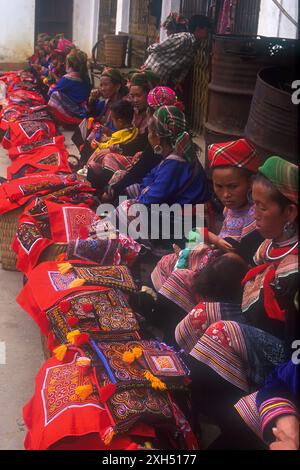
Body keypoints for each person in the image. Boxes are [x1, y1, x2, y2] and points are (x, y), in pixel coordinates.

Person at [175, 157, 298, 436]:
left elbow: (290, 338)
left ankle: (221, 408)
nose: (254, 213)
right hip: (255, 320)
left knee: (221, 331)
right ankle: (186, 396)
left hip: (283, 349)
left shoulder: (294, 268)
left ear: (289, 212)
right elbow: (239, 265)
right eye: (254, 204)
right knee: (201, 315)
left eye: (262, 207)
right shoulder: (266, 241)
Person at [151, 138, 263, 315]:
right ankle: (161, 305)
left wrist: (210, 238)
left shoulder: (253, 215)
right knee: (167, 261)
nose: (226, 194)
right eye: (219, 186)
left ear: (250, 183)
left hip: (226, 274)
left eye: (233, 187)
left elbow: (236, 253)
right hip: (216, 257)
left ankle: (169, 314)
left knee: (182, 277)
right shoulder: (228, 209)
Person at [144, 13, 212, 89]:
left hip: (162, 76)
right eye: (207, 30)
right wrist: (149, 52)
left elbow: (186, 65)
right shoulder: (183, 39)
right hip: (152, 71)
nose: (208, 33)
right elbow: (158, 47)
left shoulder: (195, 45)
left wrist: (178, 81)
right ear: (198, 29)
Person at [87, 100, 139, 190]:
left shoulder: (117, 135)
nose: (112, 122)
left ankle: (96, 190)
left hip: (119, 161)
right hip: (126, 157)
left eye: (113, 120)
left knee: (93, 162)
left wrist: (99, 144)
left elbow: (108, 146)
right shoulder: (134, 130)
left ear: (120, 121)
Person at [48, 48, 91, 125]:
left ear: (70, 65)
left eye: (66, 62)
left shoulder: (68, 78)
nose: (64, 64)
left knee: (54, 93)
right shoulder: (86, 77)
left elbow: (51, 93)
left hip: (75, 112)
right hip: (84, 108)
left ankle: (68, 120)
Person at [128, 70, 161, 135]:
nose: (135, 100)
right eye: (132, 96)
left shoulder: (157, 116)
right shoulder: (135, 111)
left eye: (138, 95)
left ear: (149, 93)